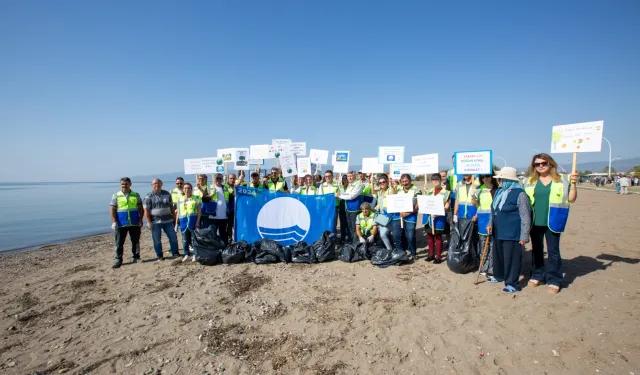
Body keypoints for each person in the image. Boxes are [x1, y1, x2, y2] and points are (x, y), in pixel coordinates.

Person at [524, 153, 578, 294]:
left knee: (553, 251)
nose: (540, 166)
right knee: (537, 250)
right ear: (534, 166)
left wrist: (573, 184)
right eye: (537, 164)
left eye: (544, 163)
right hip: (535, 220)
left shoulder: (561, 181)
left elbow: (571, 199)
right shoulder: (528, 181)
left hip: (553, 220)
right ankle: (537, 275)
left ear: (550, 164)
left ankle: (554, 279)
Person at [486, 167, 531, 293]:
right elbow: (494, 210)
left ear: (508, 179)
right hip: (498, 230)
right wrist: (490, 223)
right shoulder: (500, 192)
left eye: (500, 179)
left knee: (511, 258)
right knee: (498, 255)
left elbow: (525, 216)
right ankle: (499, 275)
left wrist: (524, 235)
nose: (498, 181)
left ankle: (512, 283)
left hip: (512, 232)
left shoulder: (520, 194)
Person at [110, 177, 144, 268]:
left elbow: (141, 208)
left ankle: (136, 256)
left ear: (130, 184)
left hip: (134, 222)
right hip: (121, 223)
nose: (124, 186)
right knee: (119, 242)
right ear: (120, 185)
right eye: (122, 184)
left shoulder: (136, 195)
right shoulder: (116, 195)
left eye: (126, 184)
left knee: (135, 241)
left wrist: (140, 220)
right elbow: (112, 209)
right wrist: (114, 222)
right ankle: (118, 259)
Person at [143, 179, 179, 260]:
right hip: (155, 221)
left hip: (168, 220)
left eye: (159, 183)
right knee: (157, 240)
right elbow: (146, 210)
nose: (157, 185)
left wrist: (174, 217)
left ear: (161, 184)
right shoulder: (148, 196)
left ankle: (175, 252)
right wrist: (148, 222)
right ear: (152, 185)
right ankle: (159, 255)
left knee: (173, 237)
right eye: (155, 183)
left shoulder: (167, 194)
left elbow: (171, 207)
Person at [421, 173, 450, 264]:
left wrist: (439, 212)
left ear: (440, 180)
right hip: (428, 218)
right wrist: (424, 192)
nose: (434, 181)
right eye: (433, 180)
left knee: (438, 237)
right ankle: (431, 255)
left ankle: (438, 256)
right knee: (429, 236)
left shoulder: (446, 192)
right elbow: (424, 203)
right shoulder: (429, 191)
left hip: (439, 218)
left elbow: (447, 206)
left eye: (436, 180)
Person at [392, 174, 422, 260]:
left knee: (410, 236)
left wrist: (407, 213)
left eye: (406, 181)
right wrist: (393, 187)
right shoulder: (398, 189)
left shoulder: (417, 190)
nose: (404, 183)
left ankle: (413, 253)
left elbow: (417, 205)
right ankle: (400, 252)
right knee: (397, 235)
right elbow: (393, 199)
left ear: (410, 181)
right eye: (403, 181)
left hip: (410, 216)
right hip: (398, 215)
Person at [473, 173, 498, 275]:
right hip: (482, 220)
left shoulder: (497, 189)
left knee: (493, 245)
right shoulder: (479, 189)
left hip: (495, 219)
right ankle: (483, 266)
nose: (485, 179)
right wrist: (472, 197)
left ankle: (492, 267)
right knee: (483, 245)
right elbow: (477, 204)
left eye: (487, 176)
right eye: (483, 177)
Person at [176, 183, 201, 262]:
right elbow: (178, 212)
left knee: (194, 239)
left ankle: (195, 254)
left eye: (189, 188)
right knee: (185, 240)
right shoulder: (180, 199)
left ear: (191, 189)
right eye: (185, 188)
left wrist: (197, 222)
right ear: (183, 189)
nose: (187, 190)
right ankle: (186, 254)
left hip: (192, 220)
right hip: (183, 221)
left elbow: (199, 212)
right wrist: (176, 223)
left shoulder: (196, 198)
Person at [336, 171, 363, 244]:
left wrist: (339, 196)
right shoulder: (350, 185)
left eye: (351, 176)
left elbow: (351, 196)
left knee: (355, 227)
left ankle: (356, 244)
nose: (349, 178)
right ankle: (352, 242)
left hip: (355, 209)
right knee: (349, 227)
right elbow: (346, 194)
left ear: (355, 176)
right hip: (348, 209)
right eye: (348, 176)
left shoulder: (358, 184)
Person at [373, 174, 395, 250]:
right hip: (381, 216)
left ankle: (390, 250)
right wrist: (374, 209)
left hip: (389, 216)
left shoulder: (390, 190)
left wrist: (391, 185)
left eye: (384, 182)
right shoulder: (379, 193)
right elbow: (379, 204)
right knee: (383, 235)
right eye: (380, 182)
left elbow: (394, 196)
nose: (382, 184)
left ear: (387, 182)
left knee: (383, 234)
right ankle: (390, 249)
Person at [210, 173, 230, 245]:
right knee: (213, 234)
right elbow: (204, 199)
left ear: (222, 179)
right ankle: (214, 248)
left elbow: (233, 193)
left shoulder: (225, 188)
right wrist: (210, 195)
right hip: (213, 216)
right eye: (217, 178)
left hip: (223, 216)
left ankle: (224, 248)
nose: (218, 180)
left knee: (223, 234)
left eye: (220, 178)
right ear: (214, 179)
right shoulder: (210, 187)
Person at [319, 170, 340, 236]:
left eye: (329, 176)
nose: (328, 177)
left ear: (332, 176)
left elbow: (340, 196)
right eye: (326, 176)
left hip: (334, 207)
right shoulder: (322, 186)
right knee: (325, 223)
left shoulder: (337, 185)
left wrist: (338, 195)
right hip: (325, 208)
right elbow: (320, 197)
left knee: (333, 224)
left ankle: (333, 240)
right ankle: (325, 239)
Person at [224, 174, 237, 243]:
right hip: (229, 210)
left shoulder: (237, 186)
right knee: (228, 226)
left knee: (236, 225)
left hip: (237, 210)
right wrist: (234, 190)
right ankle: (229, 240)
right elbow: (227, 197)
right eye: (231, 178)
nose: (232, 180)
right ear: (228, 179)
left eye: (233, 178)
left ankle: (236, 239)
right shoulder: (225, 186)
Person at [337, 174, 350, 243]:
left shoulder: (350, 188)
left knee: (348, 224)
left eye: (346, 179)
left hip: (348, 209)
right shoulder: (340, 188)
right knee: (342, 224)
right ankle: (342, 238)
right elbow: (338, 196)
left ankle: (349, 238)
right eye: (343, 179)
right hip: (341, 208)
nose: (345, 180)